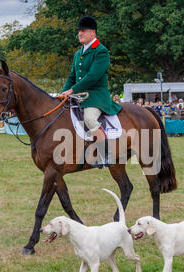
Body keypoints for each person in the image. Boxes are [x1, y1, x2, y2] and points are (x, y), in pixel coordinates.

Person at [60, 15, 122, 167]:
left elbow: (93, 76)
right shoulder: (77, 53)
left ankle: (105, 155)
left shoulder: (101, 52)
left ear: (93, 33)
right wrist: (63, 92)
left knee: (89, 118)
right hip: (79, 95)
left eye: (83, 31)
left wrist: (72, 90)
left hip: (96, 96)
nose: (79, 33)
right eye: (79, 31)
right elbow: (72, 76)